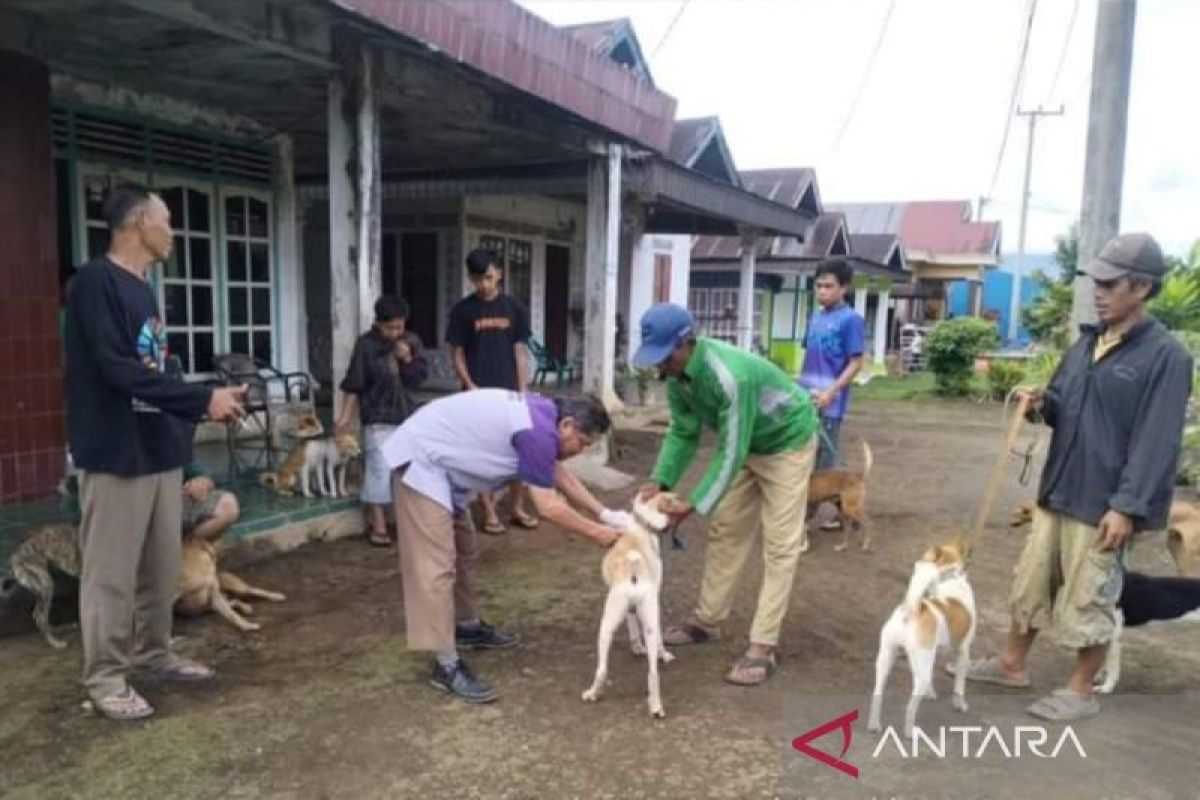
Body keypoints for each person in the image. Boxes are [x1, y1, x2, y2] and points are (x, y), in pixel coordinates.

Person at [961, 233, 1192, 722]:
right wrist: (1044, 403)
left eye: (1111, 283)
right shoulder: (1086, 343)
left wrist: (1127, 506)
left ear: (1143, 289)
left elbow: (1158, 440)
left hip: (1105, 502)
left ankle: (1081, 688)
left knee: (1092, 593)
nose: (1099, 292)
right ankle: (1010, 664)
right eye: (1097, 282)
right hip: (1059, 487)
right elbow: (1066, 406)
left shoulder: (1166, 357)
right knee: (1031, 582)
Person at [65, 184, 245, 721]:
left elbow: (155, 373)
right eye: (167, 220)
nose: (173, 230)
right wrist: (200, 398)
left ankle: (154, 653)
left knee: (159, 567)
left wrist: (199, 410)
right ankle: (105, 678)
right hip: (116, 453)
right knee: (111, 574)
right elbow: (119, 371)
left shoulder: (145, 289)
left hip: (158, 452)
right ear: (140, 223)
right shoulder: (95, 283)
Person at [381, 391, 630, 703]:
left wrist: (605, 514)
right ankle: (446, 665)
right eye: (583, 442)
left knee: (464, 548)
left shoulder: (544, 421)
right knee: (436, 565)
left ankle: (466, 625)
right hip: (422, 460)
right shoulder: (537, 430)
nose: (580, 451)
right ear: (567, 425)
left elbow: (556, 472)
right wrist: (598, 533)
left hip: (445, 464)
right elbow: (549, 506)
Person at [633, 303, 819, 686]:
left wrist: (693, 503)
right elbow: (684, 432)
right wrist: (661, 481)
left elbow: (730, 450)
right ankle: (708, 620)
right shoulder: (678, 378)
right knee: (726, 530)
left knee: (781, 546)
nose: (660, 367)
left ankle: (763, 645)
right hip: (749, 445)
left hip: (787, 441)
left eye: (665, 357)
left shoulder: (729, 377)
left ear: (686, 343)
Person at [446, 248, 537, 535]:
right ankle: (488, 511)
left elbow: (520, 351)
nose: (483, 285)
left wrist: (523, 390)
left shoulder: (514, 309)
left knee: (518, 451)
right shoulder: (463, 311)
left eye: (487, 277)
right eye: (476, 279)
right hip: (477, 394)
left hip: (510, 392)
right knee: (482, 453)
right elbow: (457, 353)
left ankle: (517, 507)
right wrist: (469, 384)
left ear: (499, 273)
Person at [336, 295, 429, 546]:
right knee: (378, 469)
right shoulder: (366, 345)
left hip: (406, 414)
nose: (395, 332)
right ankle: (378, 524)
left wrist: (407, 359)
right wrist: (344, 418)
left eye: (400, 326)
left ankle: (405, 521)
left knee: (409, 469)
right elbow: (354, 383)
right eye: (390, 328)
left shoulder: (410, 342)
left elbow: (419, 378)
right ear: (378, 323)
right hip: (376, 415)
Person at [799, 257, 865, 472]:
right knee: (801, 456)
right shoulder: (815, 317)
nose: (822, 291)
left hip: (830, 403)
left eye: (829, 286)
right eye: (818, 286)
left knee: (823, 460)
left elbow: (856, 363)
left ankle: (815, 505)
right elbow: (807, 355)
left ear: (844, 288)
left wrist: (831, 392)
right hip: (805, 399)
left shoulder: (851, 320)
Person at [181, 463, 240, 544]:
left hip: (182, 501)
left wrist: (201, 482)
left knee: (228, 505)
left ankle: (189, 545)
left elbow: (205, 478)